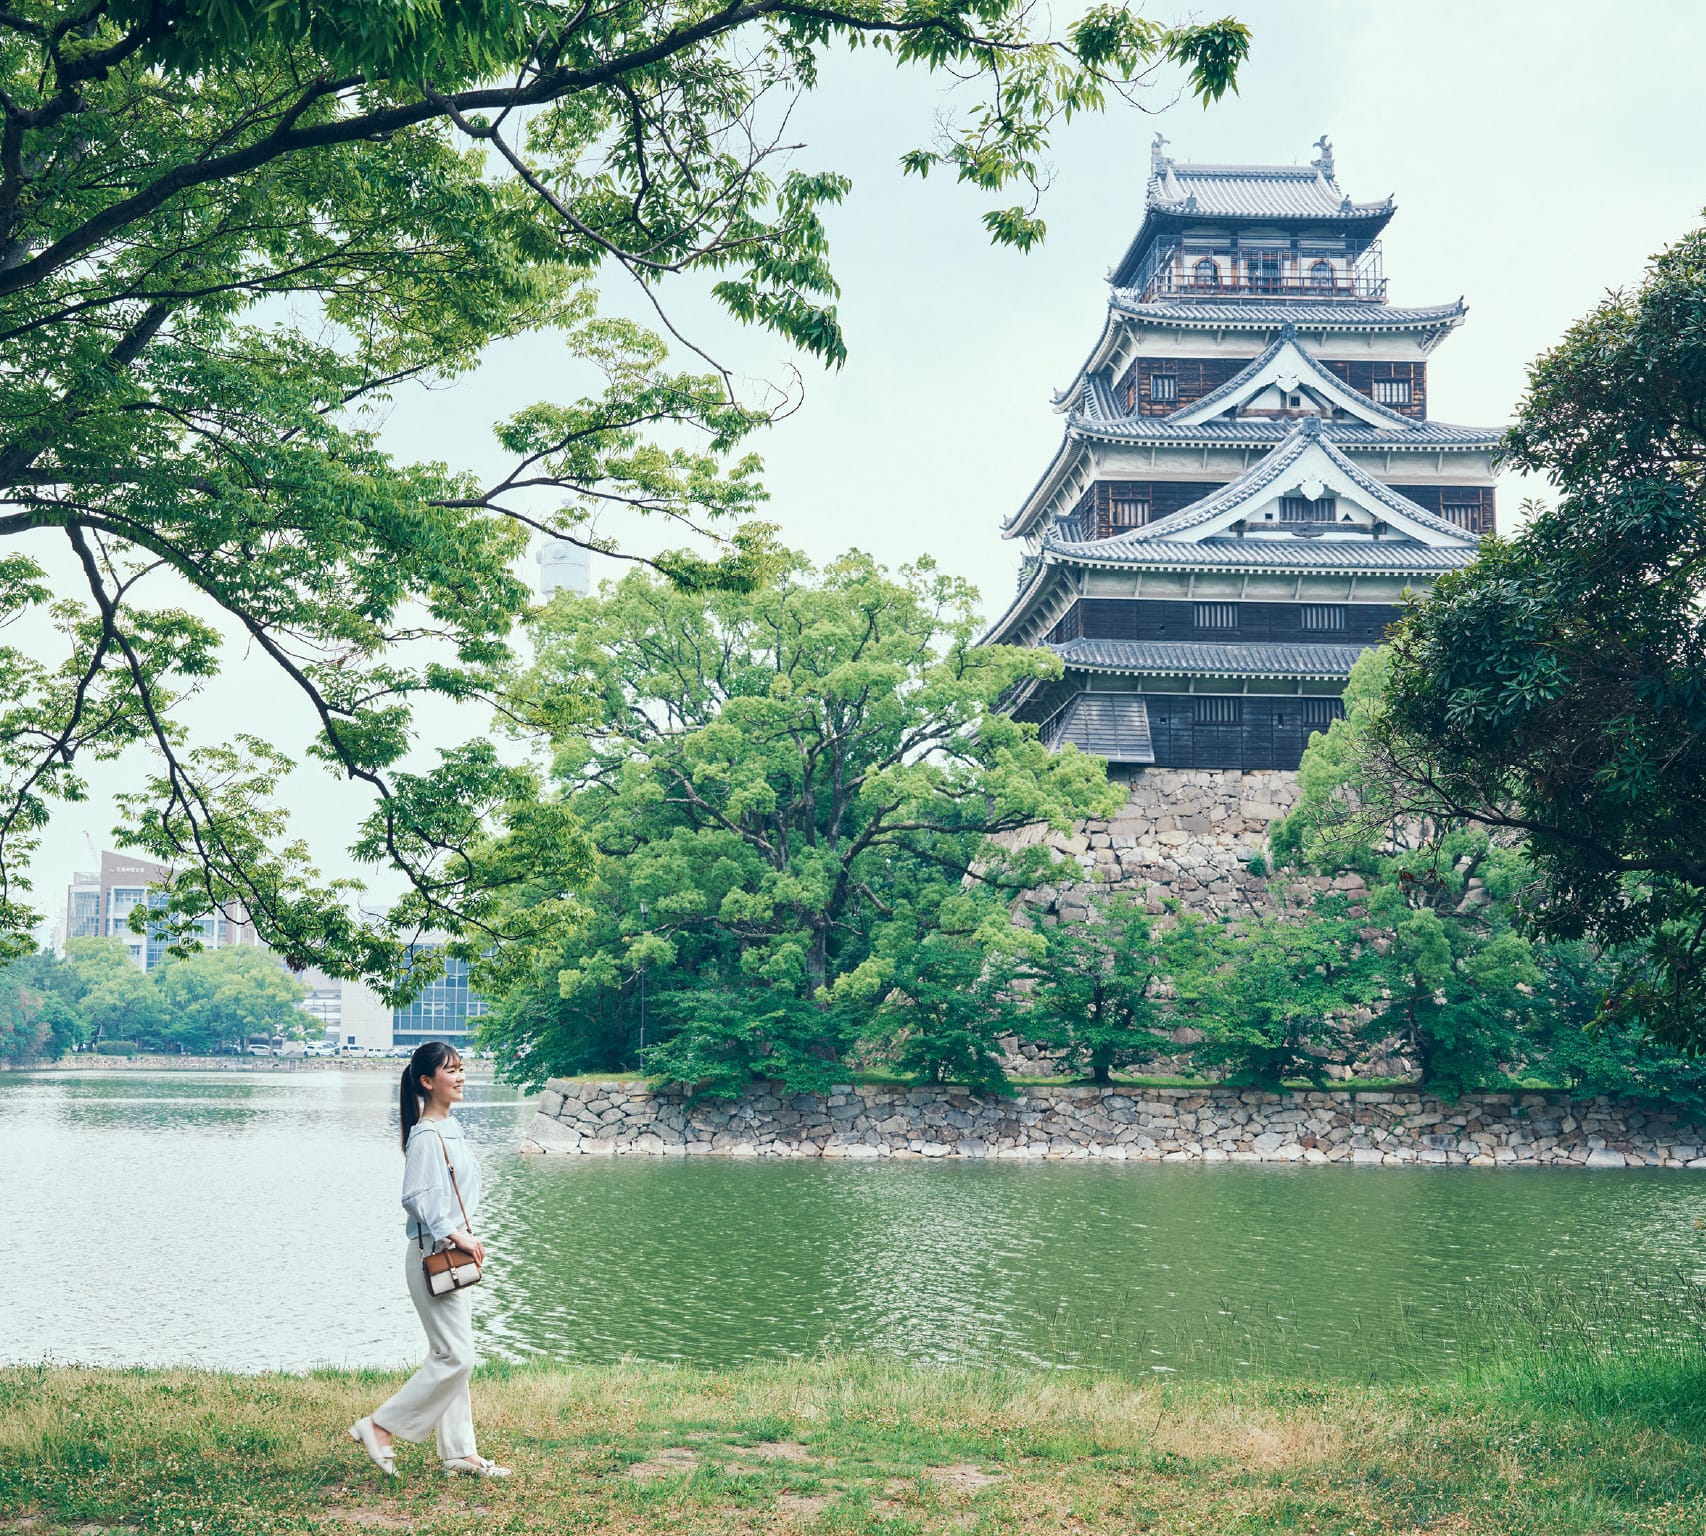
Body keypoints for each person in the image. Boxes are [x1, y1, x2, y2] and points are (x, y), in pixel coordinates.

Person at [347, 1041, 510, 1479]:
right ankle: (379, 1426)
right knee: (457, 1356)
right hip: (433, 1258)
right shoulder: (425, 1135)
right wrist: (456, 1234)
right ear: (426, 1081)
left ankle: (459, 1452)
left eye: (461, 1068)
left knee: (450, 1353)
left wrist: (463, 1235)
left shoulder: (450, 1128)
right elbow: (415, 1198)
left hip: (453, 1256)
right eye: (450, 1070)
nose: (460, 1077)